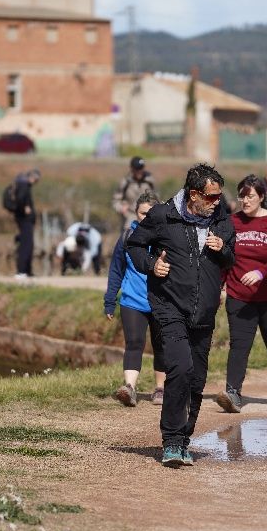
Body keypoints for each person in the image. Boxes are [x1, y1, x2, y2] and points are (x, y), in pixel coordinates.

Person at [127, 163, 235, 468]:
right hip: (169, 305)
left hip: (204, 310)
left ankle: (184, 440)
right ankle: (172, 441)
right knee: (181, 368)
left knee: (197, 379)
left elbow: (231, 255)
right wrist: (151, 265)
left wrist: (223, 247)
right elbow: (134, 245)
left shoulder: (220, 217)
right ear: (193, 194)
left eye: (218, 197)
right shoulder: (162, 215)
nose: (217, 202)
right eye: (211, 197)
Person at [216, 175, 267, 413]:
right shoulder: (231, 222)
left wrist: (262, 272)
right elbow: (224, 258)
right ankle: (232, 393)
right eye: (241, 195)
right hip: (241, 296)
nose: (245, 200)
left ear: (261, 196)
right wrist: (220, 286)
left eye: (250, 196)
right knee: (239, 345)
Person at [104, 191, 166, 407]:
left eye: (150, 213)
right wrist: (110, 300)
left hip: (161, 300)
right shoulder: (127, 237)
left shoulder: (166, 237)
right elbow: (116, 271)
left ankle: (160, 389)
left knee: (162, 345)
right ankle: (129, 388)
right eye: (142, 213)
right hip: (132, 300)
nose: (146, 217)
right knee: (134, 343)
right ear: (135, 213)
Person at [12, 169, 40, 280]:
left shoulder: (23, 185)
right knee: (26, 245)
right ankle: (21, 271)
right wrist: (25, 207)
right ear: (32, 177)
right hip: (25, 220)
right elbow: (20, 199)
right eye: (36, 179)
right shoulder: (24, 185)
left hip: (25, 220)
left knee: (28, 244)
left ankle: (26, 271)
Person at [113, 156, 155, 229]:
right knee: (129, 235)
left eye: (141, 169)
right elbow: (116, 200)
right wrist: (121, 208)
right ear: (132, 169)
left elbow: (156, 198)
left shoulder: (149, 181)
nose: (139, 171)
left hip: (147, 216)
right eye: (137, 169)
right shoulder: (125, 182)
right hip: (130, 216)